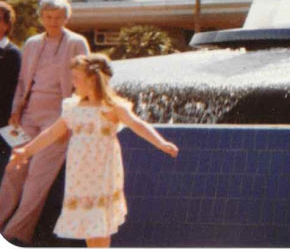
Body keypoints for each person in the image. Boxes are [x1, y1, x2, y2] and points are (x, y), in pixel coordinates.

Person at [9, 53, 179, 248]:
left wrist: (160, 143)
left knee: (99, 221)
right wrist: (26, 151)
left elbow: (137, 124)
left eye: (77, 78)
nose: (73, 82)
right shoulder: (73, 107)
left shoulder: (112, 107)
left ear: (93, 80)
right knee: (89, 224)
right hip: (80, 175)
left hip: (102, 172)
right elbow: (52, 133)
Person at [0, 0, 90, 245]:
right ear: (41, 18)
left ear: (66, 17)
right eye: (48, 16)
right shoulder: (32, 44)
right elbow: (22, 82)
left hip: (58, 116)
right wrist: (16, 111)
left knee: (38, 178)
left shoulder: (76, 42)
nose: (53, 21)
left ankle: (16, 233)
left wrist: (71, 116)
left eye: (58, 17)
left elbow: (86, 81)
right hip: (28, 114)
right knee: (13, 171)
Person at [0, 2, 22, 167]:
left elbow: (16, 90)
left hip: (6, 123)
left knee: (8, 168)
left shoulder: (12, 53)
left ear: (7, 25)